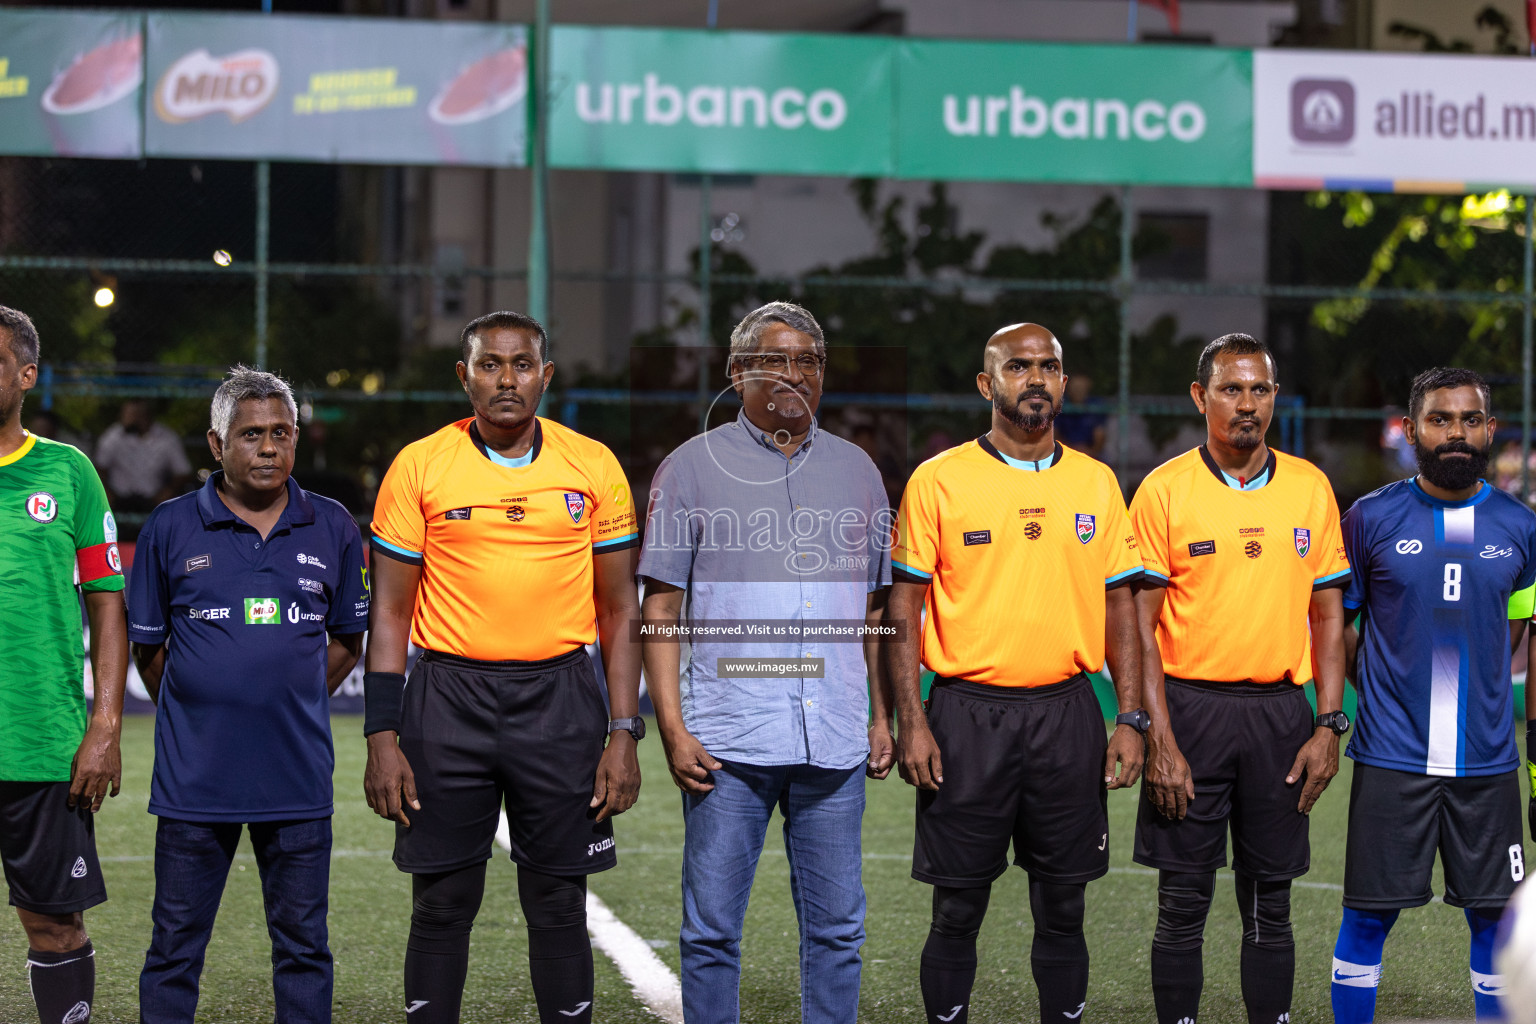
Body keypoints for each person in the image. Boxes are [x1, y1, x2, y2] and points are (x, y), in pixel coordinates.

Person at [362, 310, 642, 1024]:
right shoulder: (420, 465)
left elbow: (617, 612)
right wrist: (381, 736)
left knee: (557, 898)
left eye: (522, 365)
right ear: (465, 377)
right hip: (445, 700)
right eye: (490, 365)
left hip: (559, 698)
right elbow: (390, 613)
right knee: (443, 899)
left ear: (546, 377)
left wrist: (623, 733)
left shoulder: (594, 465)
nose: (507, 379)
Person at [638, 301, 894, 1024]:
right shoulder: (688, 470)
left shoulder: (859, 471)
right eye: (776, 359)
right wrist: (673, 727)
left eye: (809, 361)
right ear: (736, 370)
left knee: (839, 931)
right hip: (728, 743)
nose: (795, 374)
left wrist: (881, 715)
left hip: (836, 740)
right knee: (712, 932)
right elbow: (659, 611)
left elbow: (873, 611)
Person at [890, 322, 1147, 1024]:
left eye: (1049, 367)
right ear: (987, 383)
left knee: (1065, 903)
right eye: (1018, 367)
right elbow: (902, 609)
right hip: (964, 715)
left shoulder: (1097, 482)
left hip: (1067, 715)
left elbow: (1120, 608)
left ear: (1064, 381)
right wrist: (909, 720)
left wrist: (1130, 717)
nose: (1036, 378)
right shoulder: (938, 479)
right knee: (957, 905)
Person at [127, 366, 369, 1023]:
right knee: (174, 950)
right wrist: (201, 699)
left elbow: (349, 639)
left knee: (303, 950)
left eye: (281, 433)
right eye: (252, 434)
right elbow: (149, 651)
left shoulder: (335, 526)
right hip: (194, 782)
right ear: (216, 443)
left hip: (295, 779)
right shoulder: (170, 527)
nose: (269, 447)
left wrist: (286, 697)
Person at [1130, 332, 1351, 1024]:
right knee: (1183, 900)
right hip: (1190, 713)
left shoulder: (1311, 488)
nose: (1246, 403)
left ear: (1275, 398)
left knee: (1271, 903)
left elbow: (1328, 619)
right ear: (1202, 398)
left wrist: (1328, 722)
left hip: (1282, 718)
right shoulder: (1164, 489)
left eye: (1259, 389)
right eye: (1231, 388)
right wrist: (1158, 738)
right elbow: (1139, 629)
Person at [1330, 367, 1536, 1023]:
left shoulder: (1521, 528)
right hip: (1392, 762)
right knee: (1366, 919)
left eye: (1470, 420)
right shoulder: (1368, 518)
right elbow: (1340, 629)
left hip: (1488, 766)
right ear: (1414, 429)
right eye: (1440, 419)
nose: (1456, 433)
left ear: (1490, 430)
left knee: (1495, 926)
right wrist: (1386, 693)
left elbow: (1512, 634)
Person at [0, 305, 127, 1024]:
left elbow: (108, 602)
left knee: (54, 925)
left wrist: (104, 724)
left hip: (41, 746)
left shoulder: (68, 471)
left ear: (25, 375)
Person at [92, 398, 192, 512]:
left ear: (144, 416)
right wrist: (106, 492)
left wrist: (168, 491)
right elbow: (99, 467)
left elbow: (183, 472)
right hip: (119, 500)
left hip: (154, 501)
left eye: (132, 415)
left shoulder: (167, 438)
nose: (126, 419)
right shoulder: (113, 436)